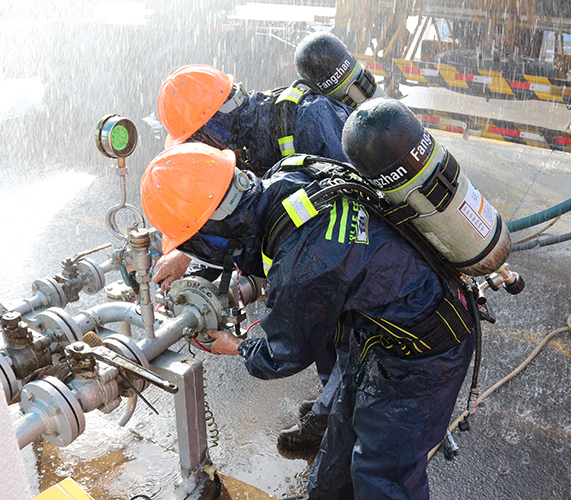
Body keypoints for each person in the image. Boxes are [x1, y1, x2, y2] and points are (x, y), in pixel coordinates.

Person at [140, 138, 489, 499]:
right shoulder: (288, 174)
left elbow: (283, 353)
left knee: (384, 476)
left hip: (426, 352)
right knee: (339, 448)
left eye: (193, 241)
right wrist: (198, 263)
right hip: (382, 333)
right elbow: (247, 239)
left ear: (210, 228)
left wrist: (237, 347)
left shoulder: (303, 263)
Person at [152, 63, 357, 452]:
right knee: (325, 329)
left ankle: (336, 417)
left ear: (212, 123)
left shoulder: (307, 121)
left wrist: (289, 280)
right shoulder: (247, 140)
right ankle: (334, 402)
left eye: (198, 139)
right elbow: (235, 216)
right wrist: (186, 251)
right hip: (323, 255)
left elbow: (354, 209)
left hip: (353, 255)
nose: (204, 150)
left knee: (347, 330)